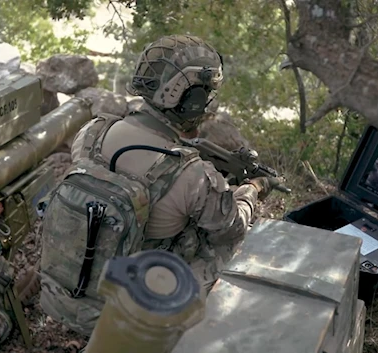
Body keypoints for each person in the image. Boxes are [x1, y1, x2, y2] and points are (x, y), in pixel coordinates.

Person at [39, 34, 281, 338]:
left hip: (66, 291)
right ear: (190, 100)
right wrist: (252, 189)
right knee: (225, 245)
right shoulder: (191, 175)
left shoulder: (92, 132)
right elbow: (231, 226)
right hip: (127, 313)